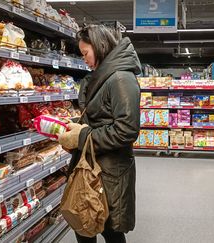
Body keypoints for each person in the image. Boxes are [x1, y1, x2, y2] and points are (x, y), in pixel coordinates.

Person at [58, 24, 141, 243]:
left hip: (109, 172)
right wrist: (74, 127)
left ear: (100, 46)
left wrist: (81, 137)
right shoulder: (102, 76)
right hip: (91, 167)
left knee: (110, 229)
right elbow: (100, 117)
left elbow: (126, 130)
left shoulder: (121, 79)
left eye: (86, 53)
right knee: (83, 223)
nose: (83, 58)